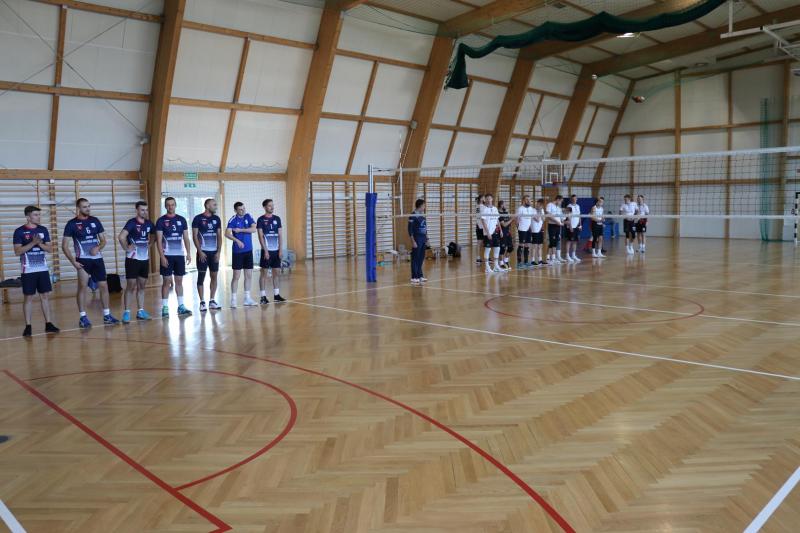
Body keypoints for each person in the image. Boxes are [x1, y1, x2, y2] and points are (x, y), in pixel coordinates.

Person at [62, 198, 118, 328]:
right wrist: (73, 262)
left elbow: (103, 240)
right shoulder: (71, 224)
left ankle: (107, 315)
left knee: (104, 286)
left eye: (88, 206)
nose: (87, 209)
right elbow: (64, 246)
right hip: (82, 260)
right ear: (78, 208)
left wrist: (98, 247)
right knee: (82, 287)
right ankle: (83, 317)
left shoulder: (95, 221)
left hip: (97, 259)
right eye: (84, 207)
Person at [13, 206, 59, 336]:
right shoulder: (19, 231)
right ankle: (28, 326)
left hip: (42, 269)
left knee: (45, 296)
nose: (39, 217)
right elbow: (17, 251)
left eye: (39, 215)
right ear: (28, 217)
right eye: (35, 215)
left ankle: (48, 324)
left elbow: (50, 249)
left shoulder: (43, 229)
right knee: (28, 297)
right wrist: (33, 243)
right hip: (28, 270)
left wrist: (39, 244)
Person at [118, 201, 154, 323]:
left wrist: (151, 244)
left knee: (142, 286)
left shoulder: (149, 223)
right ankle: (127, 312)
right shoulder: (131, 223)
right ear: (137, 210)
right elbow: (121, 237)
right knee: (131, 286)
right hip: (132, 259)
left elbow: (154, 234)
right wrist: (126, 248)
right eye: (142, 210)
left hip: (144, 259)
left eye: (146, 210)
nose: (145, 212)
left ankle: (141, 311)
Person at [156, 197, 192, 318]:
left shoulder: (182, 219)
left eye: (172, 204)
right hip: (167, 255)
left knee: (179, 281)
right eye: (168, 205)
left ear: (175, 205)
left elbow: (186, 238)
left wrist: (188, 253)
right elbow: (159, 240)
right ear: (165, 206)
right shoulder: (161, 221)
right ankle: (165, 307)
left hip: (179, 255)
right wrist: (162, 257)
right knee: (166, 281)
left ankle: (181, 306)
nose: (170, 207)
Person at [192, 198, 222, 312]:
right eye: (214, 205)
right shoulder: (198, 218)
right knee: (201, 277)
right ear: (207, 206)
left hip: (214, 253)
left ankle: (212, 301)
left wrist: (218, 252)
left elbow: (219, 236)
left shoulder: (216, 219)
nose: (216, 206)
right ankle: (202, 302)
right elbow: (194, 236)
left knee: (214, 276)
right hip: (203, 253)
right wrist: (200, 251)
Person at [226, 201, 257, 308]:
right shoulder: (233, 220)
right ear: (236, 210)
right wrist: (237, 240)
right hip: (237, 252)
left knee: (248, 275)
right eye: (240, 209)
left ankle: (247, 298)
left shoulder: (248, 216)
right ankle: (233, 300)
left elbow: (254, 229)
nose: (243, 210)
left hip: (248, 251)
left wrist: (241, 230)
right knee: (236, 276)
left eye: (244, 208)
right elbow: (227, 233)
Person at [256, 198, 287, 302]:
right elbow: (260, 236)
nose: (272, 207)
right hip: (266, 251)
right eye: (269, 205)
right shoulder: (260, 220)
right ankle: (263, 297)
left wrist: (280, 250)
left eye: (272, 205)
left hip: (276, 251)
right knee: (264, 274)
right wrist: (265, 251)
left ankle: (276, 295)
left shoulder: (277, 219)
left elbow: (280, 235)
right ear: (265, 207)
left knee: (276, 273)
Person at [408, 198, 427, 284]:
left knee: (421, 258)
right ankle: (414, 276)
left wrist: (427, 239)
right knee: (415, 258)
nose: (424, 207)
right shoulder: (412, 215)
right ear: (420, 206)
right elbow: (410, 229)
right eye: (424, 205)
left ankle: (420, 275)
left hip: (423, 239)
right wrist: (413, 241)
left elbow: (425, 228)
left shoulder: (422, 215)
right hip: (417, 238)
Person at [480, 193, 502, 273]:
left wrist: (501, 230)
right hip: (488, 233)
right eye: (487, 199)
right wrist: (488, 233)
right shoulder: (484, 209)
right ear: (485, 200)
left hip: (495, 232)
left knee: (497, 248)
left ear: (492, 199)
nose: (489, 200)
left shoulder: (495, 208)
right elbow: (483, 221)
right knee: (488, 249)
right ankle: (487, 267)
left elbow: (497, 220)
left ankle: (496, 266)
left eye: (490, 198)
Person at [545, 194, 564, 264]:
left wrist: (562, 222)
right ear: (558, 200)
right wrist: (556, 221)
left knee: (555, 242)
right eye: (561, 201)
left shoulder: (559, 208)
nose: (561, 203)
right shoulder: (550, 205)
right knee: (552, 242)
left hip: (558, 226)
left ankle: (553, 258)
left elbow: (562, 217)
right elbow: (548, 215)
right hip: (552, 226)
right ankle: (549, 259)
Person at [516, 195, 534, 269]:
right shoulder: (520, 209)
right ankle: (519, 262)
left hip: (528, 229)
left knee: (527, 245)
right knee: (521, 245)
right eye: (527, 200)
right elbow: (517, 221)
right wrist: (519, 228)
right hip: (522, 229)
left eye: (529, 199)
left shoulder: (531, 209)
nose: (529, 201)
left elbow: (531, 219)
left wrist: (530, 227)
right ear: (523, 200)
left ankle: (526, 262)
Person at [564, 194, 582, 263]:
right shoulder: (569, 206)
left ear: (577, 199)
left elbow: (579, 215)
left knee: (575, 241)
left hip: (576, 226)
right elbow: (568, 217)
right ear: (571, 199)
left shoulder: (578, 206)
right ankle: (567, 256)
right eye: (573, 199)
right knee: (569, 241)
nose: (574, 200)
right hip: (571, 226)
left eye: (575, 199)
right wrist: (570, 226)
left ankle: (573, 255)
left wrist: (580, 225)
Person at [497, 200, 513, 271]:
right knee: (502, 248)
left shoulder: (506, 213)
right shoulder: (499, 213)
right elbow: (504, 224)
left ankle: (506, 261)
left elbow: (509, 224)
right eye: (504, 204)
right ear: (501, 205)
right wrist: (512, 219)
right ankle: (501, 263)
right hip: (502, 233)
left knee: (510, 247)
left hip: (507, 232)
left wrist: (510, 230)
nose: (505, 206)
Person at [531, 199, 545, 267]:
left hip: (540, 230)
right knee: (534, 246)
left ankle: (540, 260)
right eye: (538, 204)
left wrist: (541, 212)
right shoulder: (533, 210)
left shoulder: (542, 210)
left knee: (540, 245)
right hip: (535, 230)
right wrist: (539, 212)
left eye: (541, 205)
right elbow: (537, 220)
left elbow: (544, 219)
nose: (539, 206)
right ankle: (533, 260)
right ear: (537, 204)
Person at [474, 194, 485, 264]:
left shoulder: (478, 206)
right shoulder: (481, 206)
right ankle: (479, 258)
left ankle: (480, 258)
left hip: (480, 226)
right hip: (481, 227)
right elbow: (480, 217)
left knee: (482, 243)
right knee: (480, 242)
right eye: (484, 198)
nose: (485, 199)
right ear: (481, 199)